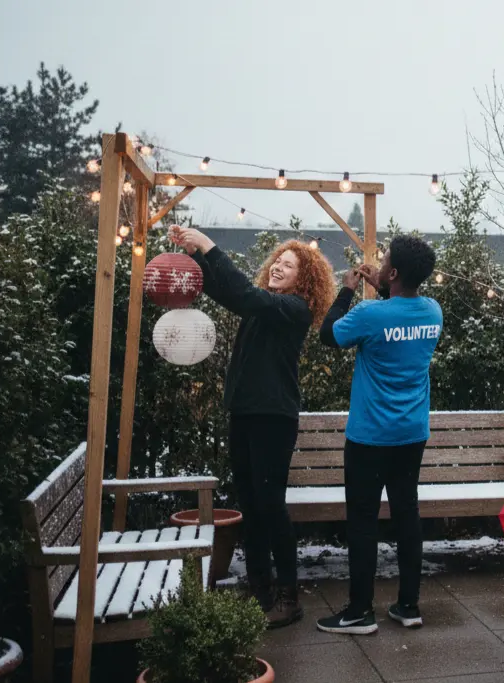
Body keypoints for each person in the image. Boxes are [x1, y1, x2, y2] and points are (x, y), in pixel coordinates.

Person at [170, 226, 335, 628]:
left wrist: (210, 246)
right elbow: (229, 293)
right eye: (277, 262)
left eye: (289, 265)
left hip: (273, 417)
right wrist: (197, 257)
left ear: (305, 278)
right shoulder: (265, 305)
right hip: (244, 411)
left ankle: (288, 596)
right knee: (251, 504)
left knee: (270, 505)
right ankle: (259, 588)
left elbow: (244, 295)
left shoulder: (294, 310)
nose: (278, 267)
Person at [315, 236, 442, 636]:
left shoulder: (370, 314)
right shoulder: (433, 311)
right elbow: (400, 311)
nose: (381, 263)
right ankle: (408, 606)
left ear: (395, 272)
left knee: (364, 521)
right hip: (412, 433)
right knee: (407, 514)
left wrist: (349, 288)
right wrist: (384, 286)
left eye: (385, 261)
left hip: (370, 436)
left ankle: (359, 612)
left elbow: (328, 334)